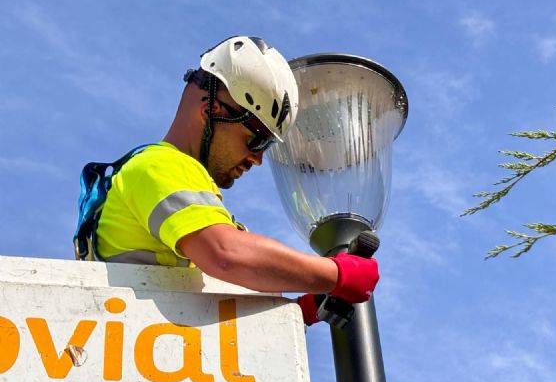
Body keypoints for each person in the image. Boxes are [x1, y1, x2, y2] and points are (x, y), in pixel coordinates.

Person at [93, 36, 379, 326]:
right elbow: (224, 253)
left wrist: (301, 310)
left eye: (267, 147)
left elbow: (207, 308)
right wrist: (338, 275)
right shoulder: (160, 165)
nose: (258, 158)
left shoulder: (175, 185)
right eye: (257, 139)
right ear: (210, 111)